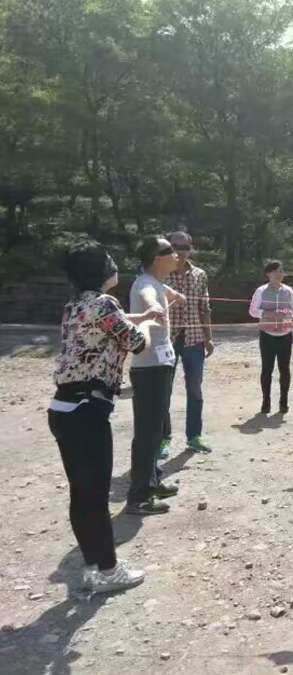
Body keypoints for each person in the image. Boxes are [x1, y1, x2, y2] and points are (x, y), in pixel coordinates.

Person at [50, 242, 158, 591]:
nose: (115, 265)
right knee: (95, 496)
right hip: (87, 412)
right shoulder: (106, 303)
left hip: (63, 409)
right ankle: (109, 572)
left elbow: (107, 327)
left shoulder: (75, 306)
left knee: (82, 495)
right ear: (99, 270)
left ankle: (94, 566)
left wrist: (141, 317)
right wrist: (149, 327)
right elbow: (136, 343)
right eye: (111, 261)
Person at [126, 236, 185, 516]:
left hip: (161, 366)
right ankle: (138, 497)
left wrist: (176, 297)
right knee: (148, 433)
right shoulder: (145, 284)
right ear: (156, 259)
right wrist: (153, 307)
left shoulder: (157, 282)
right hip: (149, 369)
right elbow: (149, 296)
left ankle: (152, 481)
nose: (176, 254)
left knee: (156, 429)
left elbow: (168, 293)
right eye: (169, 251)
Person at [161, 231, 214, 456]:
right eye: (175, 247)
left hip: (194, 339)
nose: (180, 252)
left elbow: (204, 307)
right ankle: (163, 438)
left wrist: (208, 337)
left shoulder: (200, 275)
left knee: (195, 390)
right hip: (166, 340)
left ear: (190, 248)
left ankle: (194, 436)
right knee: (163, 390)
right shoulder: (160, 274)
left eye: (184, 247)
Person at [249, 260, 293, 414]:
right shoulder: (260, 291)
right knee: (267, 369)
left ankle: (284, 402)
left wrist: (286, 313)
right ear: (268, 274)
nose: (279, 274)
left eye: (281, 271)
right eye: (276, 271)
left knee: (285, 369)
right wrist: (267, 314)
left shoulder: (289, 291)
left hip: (285, 334)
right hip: (267, 335)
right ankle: (266, 401)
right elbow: (252, 311)